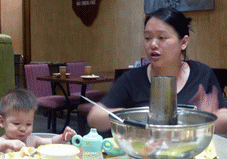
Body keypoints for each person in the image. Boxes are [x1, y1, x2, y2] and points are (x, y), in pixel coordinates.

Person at [87, 7, 227, 135]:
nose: (153, 44)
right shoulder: (133, 78)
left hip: (189, 151)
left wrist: (207, 117)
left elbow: (224, 118)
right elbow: (94, 117)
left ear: (183, 42)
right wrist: (139, 115)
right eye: (148, 38)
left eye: (162, 37)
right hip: (146, 153)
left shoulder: (201, 73)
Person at [0, 88, 77, 153]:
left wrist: (63, 137)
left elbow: (52, 141)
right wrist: (6, 145)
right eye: (16, 123)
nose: (23, 129)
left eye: (28, 124)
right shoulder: (0, 143)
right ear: (2, 121)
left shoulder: (32, 140)